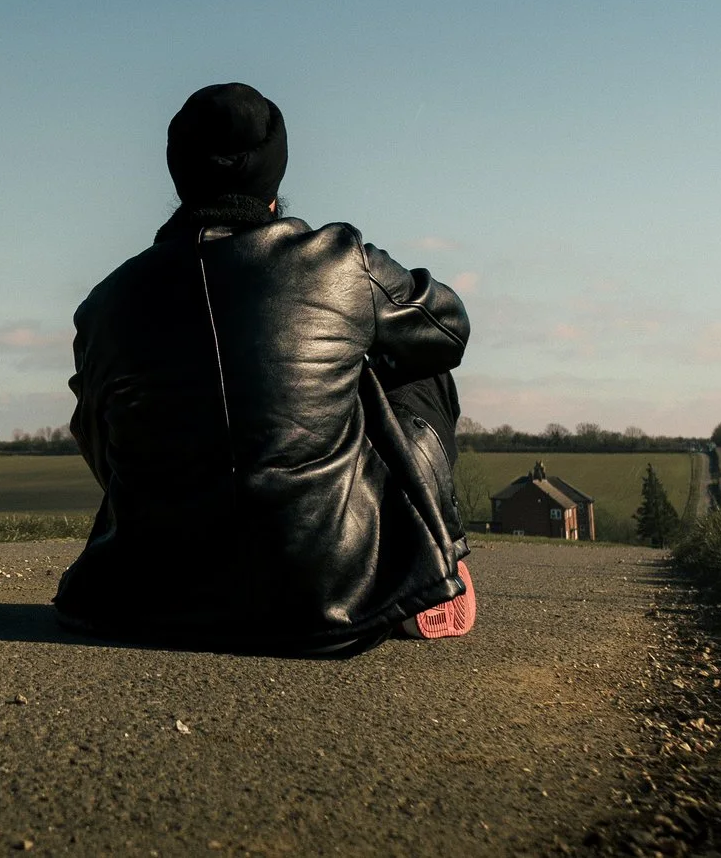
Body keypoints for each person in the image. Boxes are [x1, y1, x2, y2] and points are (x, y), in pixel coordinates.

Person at [55, 82, 475, 655]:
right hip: (332, 600)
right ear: (275, 172)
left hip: (142, 603)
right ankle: (426, 560)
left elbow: (98, 439)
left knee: (114, 401)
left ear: (178, 172)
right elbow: (450, 329)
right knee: (415, 358)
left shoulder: (105, 303)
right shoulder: (339, 259)